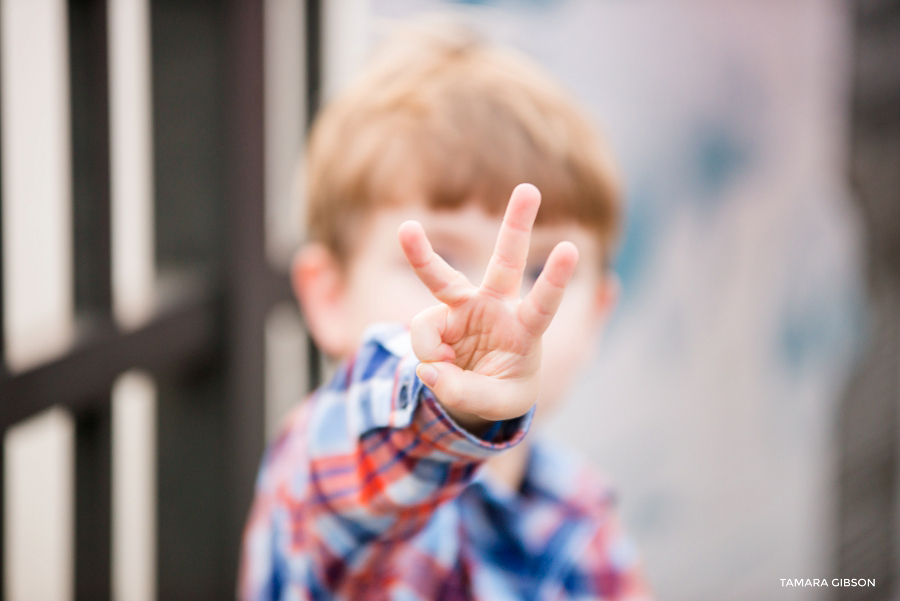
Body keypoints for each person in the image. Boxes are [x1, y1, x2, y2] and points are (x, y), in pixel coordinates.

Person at [239, 25, 654, 601]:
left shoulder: (582, 513)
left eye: (537, 270)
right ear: (329, 295)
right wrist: (444, 409)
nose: (496, 304)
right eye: (436, 260)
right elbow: (362, 464)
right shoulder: (322, 468)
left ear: (598, 317)